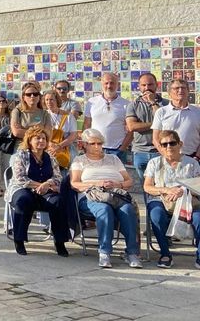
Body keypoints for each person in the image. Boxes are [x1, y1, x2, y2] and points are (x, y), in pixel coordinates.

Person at [71, 128, 141, 268]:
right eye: (92, 143)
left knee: (128, 210)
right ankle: (104, 251)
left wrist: (117, 183)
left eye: (99, 143)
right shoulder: (80, 160)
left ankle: (132, 252)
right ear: (84, 144)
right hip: (91, 196)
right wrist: (97, 183)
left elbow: (129, 181)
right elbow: (74, 184)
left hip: (115, 194)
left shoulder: (113, 159)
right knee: (104, 210)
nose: (97, 146)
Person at [5, 126, 70, 257]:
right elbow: (20, 178)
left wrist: (47, 184)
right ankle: (19, 239)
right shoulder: (21, 156)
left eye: (44, 138)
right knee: (24, 200)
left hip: (46, 189)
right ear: (29, 140)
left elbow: (58, 177)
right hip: (23, 188)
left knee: (58, 202)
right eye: (37, 138)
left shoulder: (51, 158)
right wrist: (40, 185)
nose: (41, 141)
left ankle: (60, 241)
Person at [143, 130, 200, 268]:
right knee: (156, 215)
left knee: (199, 218)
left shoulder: (192, 163)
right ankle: (165, 254)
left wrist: (183, 190)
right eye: (164, 144)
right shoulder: (154, 162)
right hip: (162, 199)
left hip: (187, 200)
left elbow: (198, 187)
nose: (168, 147)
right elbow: (147, 187)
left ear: (180, 144)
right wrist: (166, 190)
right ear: (160, 147)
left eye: (172, 143)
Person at [126, 73, 167, 183]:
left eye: (150, 84)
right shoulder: (133, 105)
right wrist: (156, 124)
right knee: (146, 187)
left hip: (160, 151)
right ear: (139, 86)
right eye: (143, 85)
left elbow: (166, 124)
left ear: (156, 85)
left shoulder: (166, 104)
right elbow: (132, 126)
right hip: (140, 152)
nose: (147, 88)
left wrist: (153, 102)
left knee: (162, 184)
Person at [84, 73, 132, 164]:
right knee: (95, 177)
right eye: (106, 83)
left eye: (112, 83)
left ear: (117, 85)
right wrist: (87, 144)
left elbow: (131, 130)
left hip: (117, 150)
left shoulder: (126, 104)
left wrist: (122, 148)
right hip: (95, 148)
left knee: (117, 177)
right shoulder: (92, 102)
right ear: (102, 84)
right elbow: (87, 124)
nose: (109, 86)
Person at [152, 79, 200, 159]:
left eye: (183, 88)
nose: (180, 90)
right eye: (176, 88)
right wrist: (166, 155)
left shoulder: (197, 112)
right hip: (168, 157)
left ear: (188, 91)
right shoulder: (161, 112)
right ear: (169, 93)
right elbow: (155, 138)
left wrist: (197, 157)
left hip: (193, 157)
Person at [10, 82, 52, 157]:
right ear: (23, 97)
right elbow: (16, 132)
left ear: (39, 97)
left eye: (35, 94)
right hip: (21, 149)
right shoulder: (17, 111)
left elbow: (48, 133)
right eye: (28, 94)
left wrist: (26, 131)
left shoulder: (45, 113)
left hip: (40, 150)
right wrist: (39, 133)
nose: (32, 96)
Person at [43, 90, 77, 172]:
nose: (49, 102)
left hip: (66, 146)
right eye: (46, 100)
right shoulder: (43, 115)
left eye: (51, 99)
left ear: (57, 100)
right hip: (47, 146)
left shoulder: (68, 116)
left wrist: (59, 146)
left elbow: (73, 135)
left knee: (70, 168)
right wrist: (51, 145)